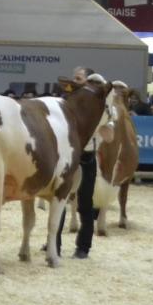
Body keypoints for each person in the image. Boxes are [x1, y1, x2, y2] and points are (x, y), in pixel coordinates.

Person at [54, 67, 106, 260]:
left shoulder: (99, 105)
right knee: (59, 200)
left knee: (85, 204)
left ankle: (83, 246)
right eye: (74, 78)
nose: (74, 81)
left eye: (79, 78)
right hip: (65, 156)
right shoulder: (66, 101)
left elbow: (108, 133)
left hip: (86, 157)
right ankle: (54, 243)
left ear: (88, 81)